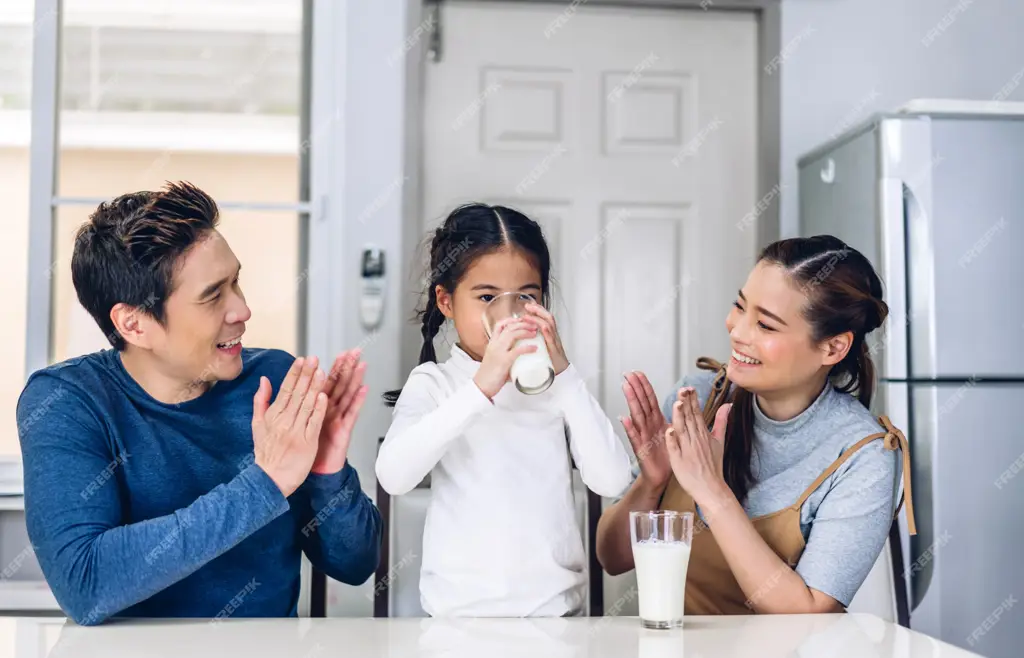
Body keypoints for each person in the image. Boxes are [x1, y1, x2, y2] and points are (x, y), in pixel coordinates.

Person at [16, 182, 383, 625]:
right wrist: (266, 482)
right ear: (134, 324)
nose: (242, 310)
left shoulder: (273, 382)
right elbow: (86, 583)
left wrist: (327, 474)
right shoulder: (67, 402)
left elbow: (356, 565)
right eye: (213, 295)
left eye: (236, 283)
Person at [596, 235, 916, 615]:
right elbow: (612, 559)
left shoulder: (864, 455)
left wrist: (712, 493)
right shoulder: (696, 400)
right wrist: (652, 483)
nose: (737, 331)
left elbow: (808, 616)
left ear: (832, 348)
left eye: (765, 325)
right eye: (739, 306)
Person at [375, 203, 633, 618]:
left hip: (556, 620)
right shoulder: (436, 384)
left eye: (526, 298)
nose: (508, 314)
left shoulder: (553, 386)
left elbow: (613, 479)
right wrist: (481, 389)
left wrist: (565, 376)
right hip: (459, 623)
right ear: (445, 300)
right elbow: (394, 476)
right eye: (488, 297)